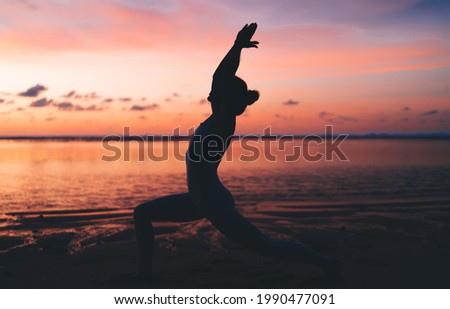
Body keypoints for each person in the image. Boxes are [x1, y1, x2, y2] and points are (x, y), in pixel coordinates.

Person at [133, 23, 341, 280]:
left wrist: (236, 47)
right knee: (142, 213)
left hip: (211, 202)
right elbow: (218, 80)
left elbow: (219, 76)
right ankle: (144, 273)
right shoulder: (216, 117)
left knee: (265, 246)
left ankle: (325, 263)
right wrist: (236, 48)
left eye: (215, 91)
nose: (209, 92)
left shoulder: (223, 119)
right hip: (200, 197)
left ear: (222, 97)